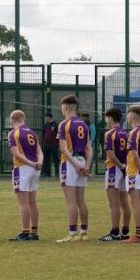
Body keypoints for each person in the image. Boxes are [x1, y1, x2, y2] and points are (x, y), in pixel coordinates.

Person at [56, 94, 92, 243]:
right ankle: (84, 232)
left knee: (71, 200)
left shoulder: (64, 124)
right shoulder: (83, 124)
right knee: (81, 200)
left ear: (65, 107)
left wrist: (76, 166)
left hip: (70, 163)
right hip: (82, 161)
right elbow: (89, 148)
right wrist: (86, 167)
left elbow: (64, 150)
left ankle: (72, 233)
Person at [7, 109, 42, 241]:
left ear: (12, 120)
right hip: (34, 169)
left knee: (23, 203)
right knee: (32, 201)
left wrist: (31, 164)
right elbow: (39, 151)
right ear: (24, 119)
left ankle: (25, 232)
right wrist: (38, 163)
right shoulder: (32, 133)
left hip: (22, 168)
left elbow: (16, 154)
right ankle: (34, 231)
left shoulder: (13, 133)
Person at [100, 108, 132, 241]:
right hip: (125, 168)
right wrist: (125, 167)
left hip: (114, 169)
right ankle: (125, 231)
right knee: (124, 202)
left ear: (110, 118)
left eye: (106, 118)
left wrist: (120, 167)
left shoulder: (109, 134)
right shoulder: (126, 133)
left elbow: (110, 154)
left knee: (114, 203)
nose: (106, 120)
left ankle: (114, 232)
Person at [123, 105, 140, 244]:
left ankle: (138, 235)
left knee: (136, 204)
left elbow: (134, 152)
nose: (127, 117)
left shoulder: (133, 133)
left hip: (135, 171)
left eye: (128, 115)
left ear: (133, 116)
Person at [41, 113, 58, 178]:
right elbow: (44, 134)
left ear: (50, 117)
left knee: (55, 159)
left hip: (54, 145)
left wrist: (57, 143)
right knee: (46, 159)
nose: (45, 119)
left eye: (46, 117)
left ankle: (57, 173)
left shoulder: (56, 125)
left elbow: (58, 135)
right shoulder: (45, 125)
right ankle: (47, 173)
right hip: (47, 145)